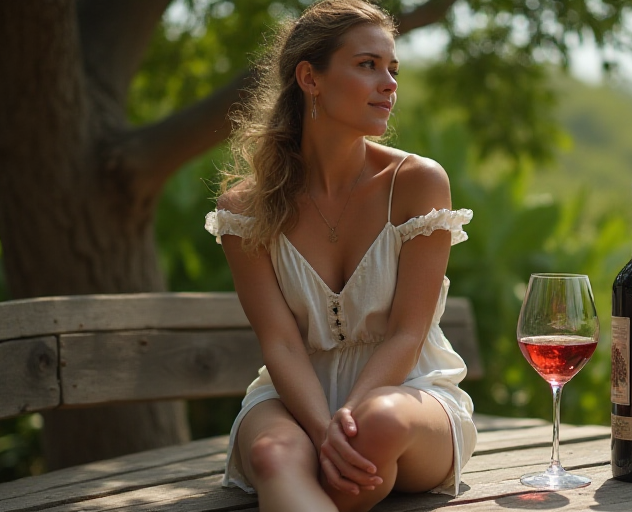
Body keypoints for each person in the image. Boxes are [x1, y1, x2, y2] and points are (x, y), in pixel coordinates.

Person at [203, 1, 477, 510]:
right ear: (311, 78)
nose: (390, 83)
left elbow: (406, 334)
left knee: (375, 428)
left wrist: (345, 420)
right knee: (270, 454)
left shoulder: (417, 184)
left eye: (393, 68)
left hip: (409, 393)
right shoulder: (246, 207)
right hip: (293, 396)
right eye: (368, 65)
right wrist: (320, 427)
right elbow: (281, 343)